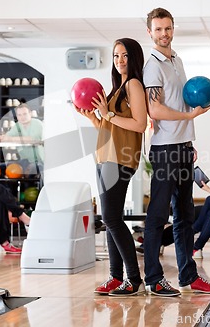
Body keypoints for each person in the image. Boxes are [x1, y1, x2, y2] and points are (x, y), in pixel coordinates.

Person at [143, 7, 210, 296]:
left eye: (168, 28)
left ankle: (188, 277)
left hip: (182, 148)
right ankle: (153, 278)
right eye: (158, 29)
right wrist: (190, 117)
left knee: (185, 215)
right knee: (158, 215)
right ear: (149, 32)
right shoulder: (153, 65)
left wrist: (189, 138)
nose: (164, 34)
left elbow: (180, 101)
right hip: (164, 150)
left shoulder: (177, 60)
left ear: (173, 29)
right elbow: (156, 109)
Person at [76, 38, 147, 296]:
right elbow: (111, 129)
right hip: (106, 157)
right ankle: (116, 277)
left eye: (125, 55)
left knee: (111, 218)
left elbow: (140, 125)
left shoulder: (134, 85)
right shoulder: (117, 88)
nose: (120, 60)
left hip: (121, 159)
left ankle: (132, 278)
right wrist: (96, 119)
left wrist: (107, 115)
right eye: (116, 55)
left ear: (134, 57)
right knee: (110, 219)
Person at [0, 103, 44, 177]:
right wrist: (2, 137)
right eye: (19, 115)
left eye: (24, 114)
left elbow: (31, 139)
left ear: (30, 113)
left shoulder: (37, 124)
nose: (22, 117)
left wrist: (10, 139)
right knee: (1, 168)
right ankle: (8, 188)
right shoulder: (18, 125)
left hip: (38, 162)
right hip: (24, 161)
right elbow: (7, 137)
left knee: (31, 171)